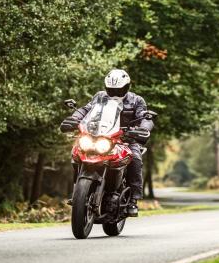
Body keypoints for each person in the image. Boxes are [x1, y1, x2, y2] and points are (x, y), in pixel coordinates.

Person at [60, 69, 153, 216]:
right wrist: (73, 119)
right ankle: (78, 192)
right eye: (111, 89)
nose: (115, 93)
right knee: (77, 152)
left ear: (127, 87)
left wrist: (143, 129)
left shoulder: (136, 100)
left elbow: (145, 118)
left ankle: (133, 200)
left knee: (135, 158)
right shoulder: (100, 97)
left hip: (127, 139)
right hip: (99, 137)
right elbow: (85, 110)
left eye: (119, 89)